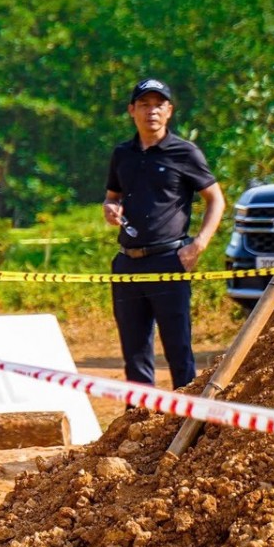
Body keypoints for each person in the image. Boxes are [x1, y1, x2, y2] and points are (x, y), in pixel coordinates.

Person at [104, 78, 225, 390]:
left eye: (158, 104)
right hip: (128, 263)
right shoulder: (122, 154)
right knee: (135, 352)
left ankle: (187, 425)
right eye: (144, 104)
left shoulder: (184, 152)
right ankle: (138, 425)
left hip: (170, 260)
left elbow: (216, 199)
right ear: (132, 110)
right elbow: (112, 195)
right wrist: (110, 208)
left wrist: (199, 244)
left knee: (178, 349)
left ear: (169, 111)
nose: (151, 111)